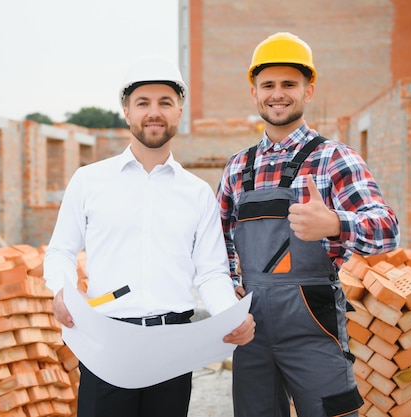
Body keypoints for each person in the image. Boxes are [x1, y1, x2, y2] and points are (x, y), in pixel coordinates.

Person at [44, 55, 255, 417]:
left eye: (165, 103)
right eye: (143, 103)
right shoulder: (89, 182)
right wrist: (61, 290)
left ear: (179, 111)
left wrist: (229, 316)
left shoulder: (197, 193)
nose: (153, 112)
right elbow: (60, 250)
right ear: (126, 112)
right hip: (107, 343)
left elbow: (210, 272)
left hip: (171, 349)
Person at [216, 32, 400, 417]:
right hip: (251, 330)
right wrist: (227, 293)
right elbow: (219, 244)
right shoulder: (237, 167)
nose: (277, 93)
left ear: (308, 90)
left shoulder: (334, 158)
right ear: (254, 92)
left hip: (313, 330)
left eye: (289, 84)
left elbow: (386, 231)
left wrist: (335, 222)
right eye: (268, 85)